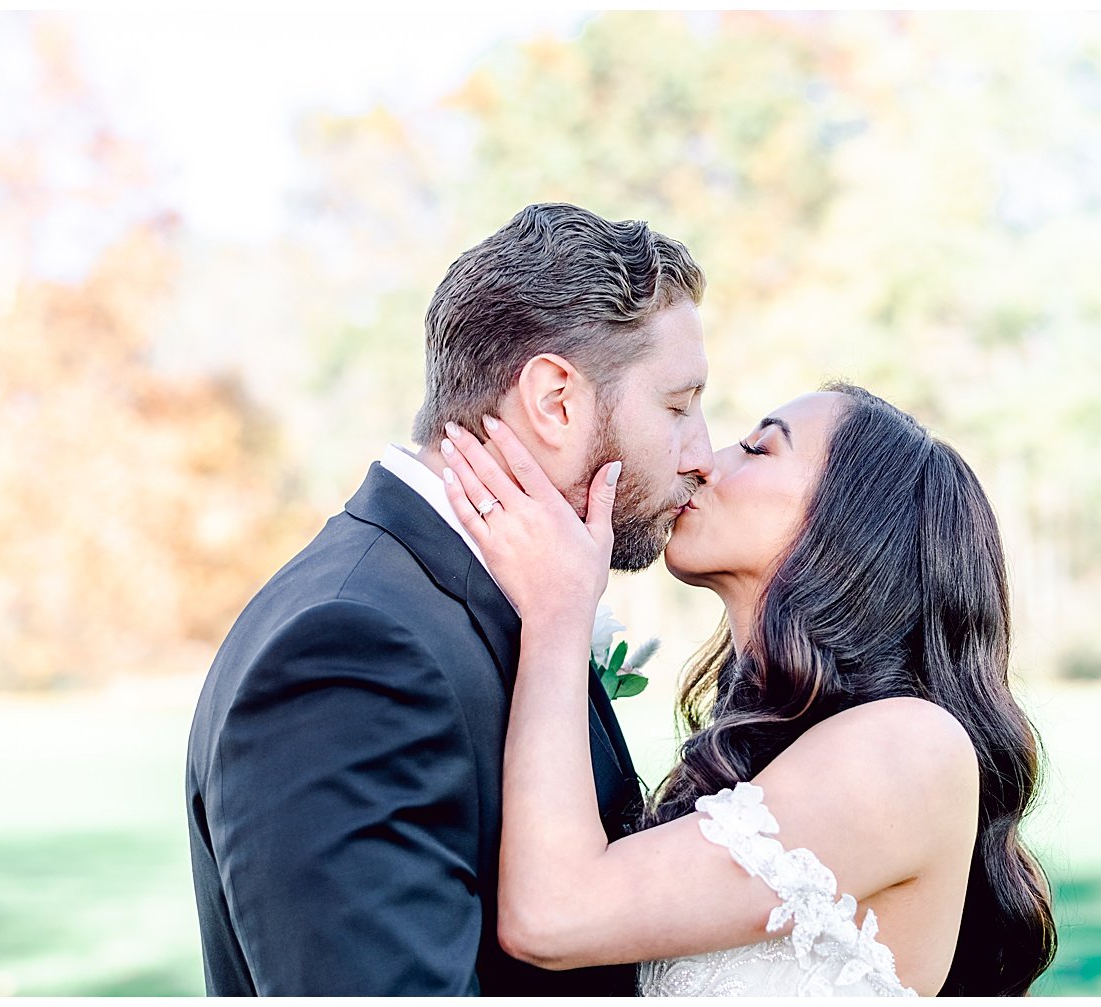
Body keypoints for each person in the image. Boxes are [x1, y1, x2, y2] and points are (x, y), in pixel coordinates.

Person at [184, 203, 714, 995]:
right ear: (555, 401)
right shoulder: (346, 653)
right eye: (677, 406)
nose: (701, 453)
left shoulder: (517, 608)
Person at [436, 382, 1058, 996]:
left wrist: (557, 614)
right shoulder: (781, 752)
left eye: (760, 449)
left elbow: (553, 917)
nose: (704, 463)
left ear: (850, 523)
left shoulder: (911, 748)